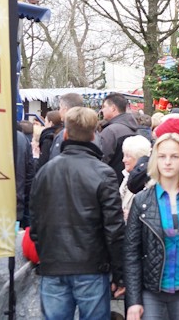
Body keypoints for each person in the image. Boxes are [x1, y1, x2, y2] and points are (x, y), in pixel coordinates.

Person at [30, 106, 125, 319]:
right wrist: (119, 273)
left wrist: (45, 254)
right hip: (91, 266)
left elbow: (35, 222)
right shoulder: (103, 173)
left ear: (65, 134)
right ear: (94, 135)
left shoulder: (45, 172)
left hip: (54, 264)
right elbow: (114, 228)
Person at [124, 132, 179, 320]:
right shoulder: (142, 200)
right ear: (155, 160)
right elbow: (131, 253)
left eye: (174, 156)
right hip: (152, 289)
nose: (168, 162)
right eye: (162, 156)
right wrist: (133, 300)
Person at [98, 92, 142, 177]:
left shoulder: (110, 131)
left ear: (113, 108)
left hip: (112, 180)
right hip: (130, 179)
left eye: (104, 107)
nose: (102, 110)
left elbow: (101, 160)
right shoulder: (135, 128)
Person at [120, 134, 153, 220]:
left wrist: (131, 215)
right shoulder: (127, 176)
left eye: (128, 156)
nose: (123, 160)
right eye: (124, 155)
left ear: (138, 157)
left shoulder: (145, 182)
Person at [47, 92, 87, 162]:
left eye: (60, 108)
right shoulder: (93, 132)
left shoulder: (64, 134)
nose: (59, 111)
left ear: (65, 109)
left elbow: (55, 162)